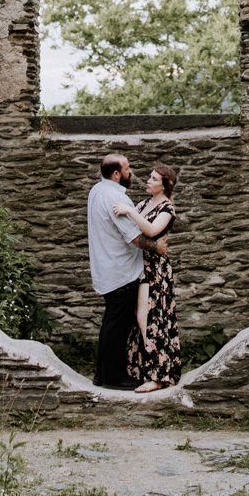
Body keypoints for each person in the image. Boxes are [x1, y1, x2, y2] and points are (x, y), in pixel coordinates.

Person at [116, 163, 180, 391]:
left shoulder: (167, 207)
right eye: (150, 178)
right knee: (138, 318)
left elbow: (152, 231)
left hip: (155, 269)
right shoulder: (144, 203)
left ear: (165, 186)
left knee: (150, 319)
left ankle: (159, 375)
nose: (148, 181)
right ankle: (142, 371)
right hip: (138, 265)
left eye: (154, 179)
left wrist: (131, 212)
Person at [85, 152, 144, 389]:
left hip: (106, 268)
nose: (131, 173)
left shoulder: (96, 191)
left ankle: (102, 375)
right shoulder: (114, 198)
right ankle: (114, 378)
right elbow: (135, 238)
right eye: (128, 168)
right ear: (117, 173)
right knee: (118, 327)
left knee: (111, 323)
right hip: (122, 271)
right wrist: (157, 246)